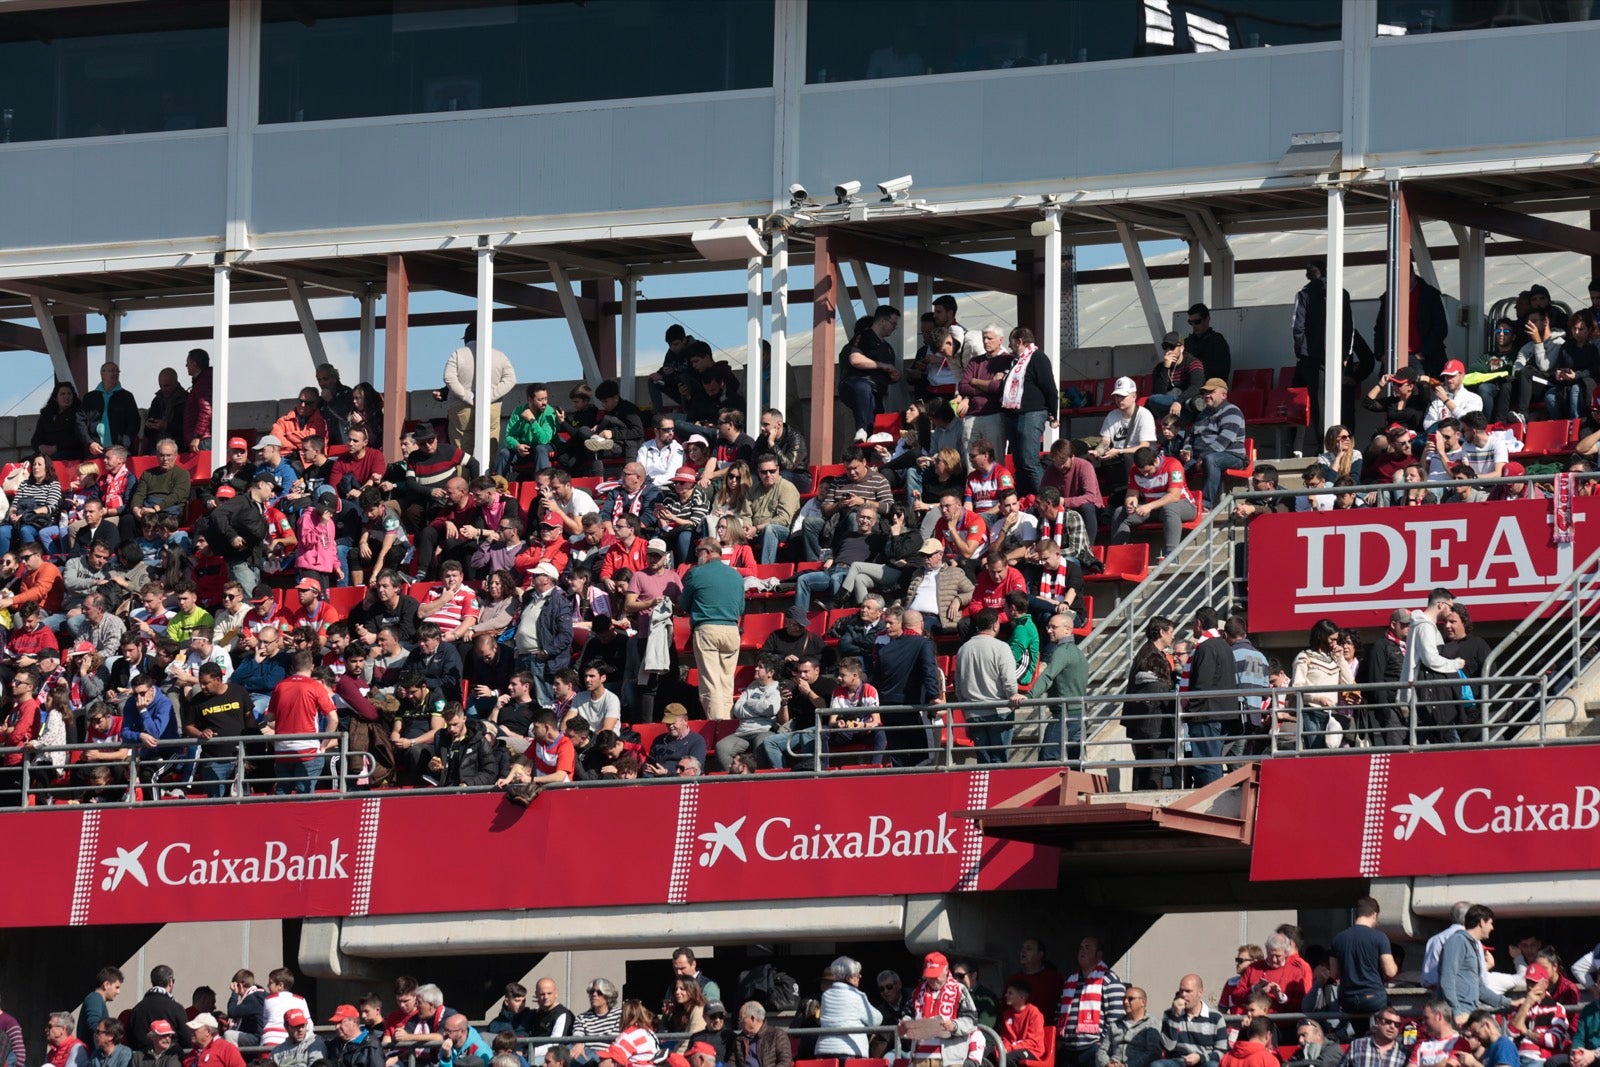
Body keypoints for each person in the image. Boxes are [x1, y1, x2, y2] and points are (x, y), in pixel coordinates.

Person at [680, 537, 743, 720]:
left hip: (707, 629)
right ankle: (727, 723)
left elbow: (683, 604)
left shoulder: (696, 573)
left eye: (698, 551)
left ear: (707, 552)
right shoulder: (735, 575)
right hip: (731, 630)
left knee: (710, 684)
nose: (696, 555)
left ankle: (717, 726)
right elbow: (741, 608)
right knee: (726, 683)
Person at [953, 607, 1019, 764]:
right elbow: (1009, 680)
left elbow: (958, 686)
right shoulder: (1001, 647)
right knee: (999, 761)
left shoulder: (963, 649)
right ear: (996, 625)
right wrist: (1013, 698)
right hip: (999, 710)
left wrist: (966, 709)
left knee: (983, 762)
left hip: (973, 712)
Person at [997, 326, 1058, 496]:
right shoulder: (1016, 361)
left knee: (1029, 461)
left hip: (1032, 413)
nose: (1010, 347)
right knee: (1019, 463)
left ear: (1019, 341)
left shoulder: (1038, 357)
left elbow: (1049, 387)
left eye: (1011, 343)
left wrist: (1054, 413)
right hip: (1014, 415)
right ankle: (1025, 499)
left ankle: (1047, 500)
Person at [439, 322, 516, 452]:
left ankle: (465, 467)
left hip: (461, 406)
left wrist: (467, 396)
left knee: (462, 451)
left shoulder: (457, 354)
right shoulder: (500, 356)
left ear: (466, 338)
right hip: (492, 406)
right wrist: (489, 397)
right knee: (489, 448)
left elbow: (449, 377)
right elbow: (511, 379)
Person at [1110, 447, 1196, 563]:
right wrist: (1131, 504)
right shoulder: (1135, 470)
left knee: (1169, 507)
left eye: (1148, 471)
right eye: (1142, 472)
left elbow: (1174, 496)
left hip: (1183, 505)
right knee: (1120, 512)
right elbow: (1131, 494)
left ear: (1155, 461)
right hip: (1154, 509)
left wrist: (1149, 506)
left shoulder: (1173, 465)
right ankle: (1117, 556)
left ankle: (1171, 555)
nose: (1145, 475)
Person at [1441, 905, 1515, 1026]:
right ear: (1481, 922)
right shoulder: (1457, 941)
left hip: (1468, 1012)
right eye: (1490, 923)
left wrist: (1509, 1002)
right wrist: (1456, 1011)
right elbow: (1447, 979)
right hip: (1459, 1015)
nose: (1492, 928)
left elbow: (1480, 989)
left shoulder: (1472, 945)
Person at [1375, 260, 1449, 377]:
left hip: (1424, 358)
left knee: (1422, 385)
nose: (1400, 282)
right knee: (1393, 386)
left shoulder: (1429, 294)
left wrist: (1423, 353)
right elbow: (1380, 328)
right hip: (1395, 358)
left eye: (1404, 278)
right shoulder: (1388, 297)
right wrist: (1381, 355)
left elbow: (1441, 328)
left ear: (1412, 275)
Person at [840, 307, 903, 441]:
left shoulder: (888, 349)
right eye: (893, 323)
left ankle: (866, 445)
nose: (895, 327)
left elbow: (888, 373)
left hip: (876, 395)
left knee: (873, 432)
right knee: (863, 387)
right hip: (856, 386)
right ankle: (861, 428)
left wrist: (894, 376)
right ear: (882, 321)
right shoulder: (863, 336)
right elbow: (855, 359)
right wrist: (882, 365)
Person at [901, 953, 975, 1067]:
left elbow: (971, 1020)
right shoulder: (918, 992)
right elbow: (906, 1017)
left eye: (936, 975)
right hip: (919, 1059)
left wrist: (954, 1025)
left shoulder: (959, 990)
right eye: (929, 976)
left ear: (946, 969)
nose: (932, 980)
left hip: (950, 1060)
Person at [1183, 380, 1246, 509]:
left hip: (1231, 455)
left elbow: (1224, 440)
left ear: (1223, 395)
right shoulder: (1202, 414)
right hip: (1201, 456)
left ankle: (1206, 504)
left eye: (1211, 392)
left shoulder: (1232, 411)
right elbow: (1190, 437)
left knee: (1211, 460)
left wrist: (1202, 456)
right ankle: (1180, 500)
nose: (1207, 395)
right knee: (1176, 467)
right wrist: (1187, 451)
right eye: (1205, 392)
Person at [1146, 976, 1225, 1067]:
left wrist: (1200, 1058)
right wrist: (1174, 1016)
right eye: (1181, 991)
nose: (1183, 995)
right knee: (1157, 1065)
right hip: (1178, 1061)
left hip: (1204, 1062)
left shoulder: (1215, 1017)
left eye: (1188, 991)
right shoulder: (1170, 1014)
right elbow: (1168, 1047)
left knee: (1213, 1065)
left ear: (1200, 993)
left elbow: (1222, 1051)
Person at [817, 957, 881, 1061]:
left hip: (824, 1051)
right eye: (856, 974)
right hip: (851, 1051)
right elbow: (876, 1020)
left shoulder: (826, 995)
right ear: (848, 978)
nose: (860, 976)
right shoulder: (857, 996)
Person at [997, 981, 1046, 1067]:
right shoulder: (1007, 1014)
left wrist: (1009, 1048)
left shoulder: (1034, 1013)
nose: (1006, 995)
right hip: (1013, 1049)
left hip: (1032, 1050)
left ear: (1021, 997)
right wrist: (1003, 1048)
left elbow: (1032, 1041)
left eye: (1010, 993)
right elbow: (1005, 1037)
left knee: (1007, 1059)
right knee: (987, 1054)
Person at [80, 966, 127, 1044]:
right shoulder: (95, 998)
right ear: (106, 984)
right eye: (117, 987)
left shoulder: (96, 999)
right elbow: (94, 1023)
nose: (118, 992)